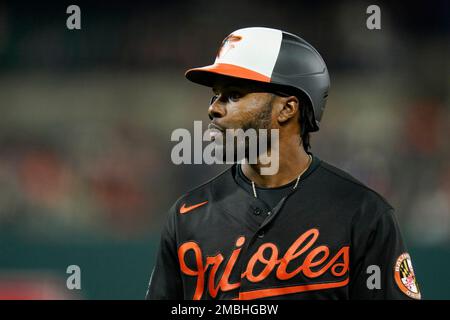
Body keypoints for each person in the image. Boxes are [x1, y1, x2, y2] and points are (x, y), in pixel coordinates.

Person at [146, 27, 421, 300]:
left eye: (234, 95)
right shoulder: (188, 215)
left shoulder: (363, 214)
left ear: (288, 108)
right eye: (215, 95)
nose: (214, 108)